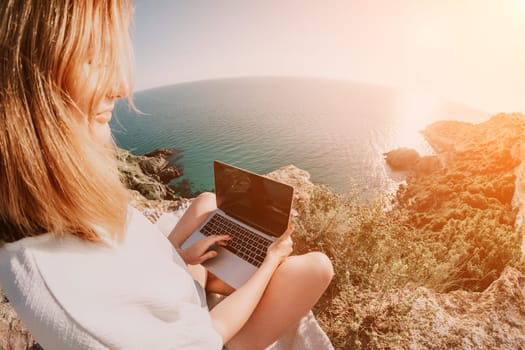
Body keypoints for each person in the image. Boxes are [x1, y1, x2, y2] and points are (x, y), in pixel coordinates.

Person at [0, 1, 334, 349]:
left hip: (181, 286)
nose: (120, 87)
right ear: (23, 84)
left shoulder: (62, 208)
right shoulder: (73, 297)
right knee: (316, 267)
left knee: (208, 203)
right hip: (212, 333)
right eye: (92, 58)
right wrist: (270, 262)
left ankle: (221, 267)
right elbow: (210, 336)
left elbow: (131, 276)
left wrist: (178, 257)